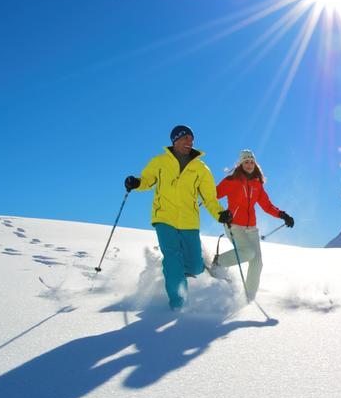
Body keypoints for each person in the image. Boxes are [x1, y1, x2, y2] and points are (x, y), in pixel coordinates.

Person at [124, 125, 232, 310]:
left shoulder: (201, 168)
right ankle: (178, 305)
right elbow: (147, 180)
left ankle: (173, 270)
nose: (189, 142)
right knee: (173, 258)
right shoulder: (160, 162)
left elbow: (209, 198)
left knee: (196, 266)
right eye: (185, 139)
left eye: (191, 140)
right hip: (164, 218)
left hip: (189, 221)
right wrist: (136, 183)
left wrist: (220, 213)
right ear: (175, 140)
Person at [213, 149, 294, 301]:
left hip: (251, 229)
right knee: (248, 253)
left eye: (251, 161)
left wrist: (283, 215)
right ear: (240, 164)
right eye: (246, 161)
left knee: (257, 263)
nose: (249, 164)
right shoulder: (232, 181)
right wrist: (220, 213)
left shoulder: (257, 184)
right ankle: (218, 263)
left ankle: (248, 298)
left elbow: (267, 205)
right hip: (234, 225)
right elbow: (212, 195)